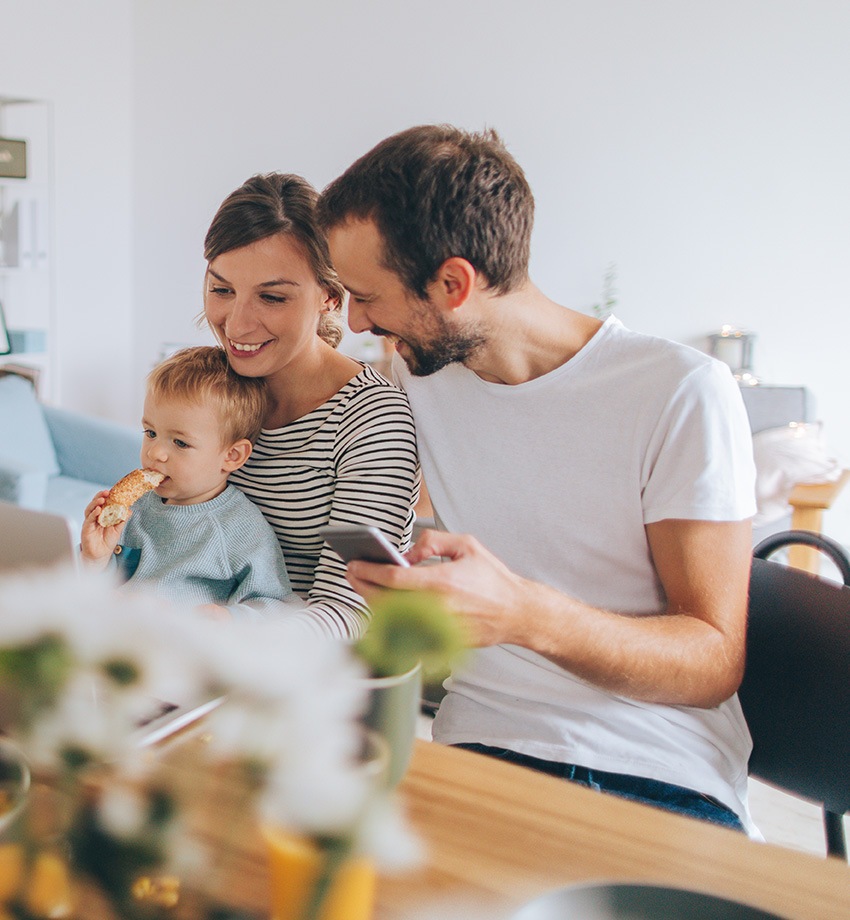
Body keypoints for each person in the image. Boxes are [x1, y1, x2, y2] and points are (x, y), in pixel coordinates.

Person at [317, 125, 759, 833]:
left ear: (453, 284)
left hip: (651, 771)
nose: (357, 320)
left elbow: (713, 660)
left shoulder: (678, 391)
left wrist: (523, 614)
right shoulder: (415, 375)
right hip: (477, 755)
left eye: (367, 296)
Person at [202, 172, 419, 639]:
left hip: (301, 678)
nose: (236, 324)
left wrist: (226, 633)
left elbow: (348, 613)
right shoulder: (208, 388)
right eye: (222, 290)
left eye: (272, 297)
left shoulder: (372, 420)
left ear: (329, 297)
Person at [81, 345, 294, 620]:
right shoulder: (136, 507)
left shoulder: (239, 527)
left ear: (231, 456)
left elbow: (277, 606)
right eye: (151, 432)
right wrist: (95, 559)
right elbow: (96, 590)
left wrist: (229, 619)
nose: (155, 452)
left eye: (180, 442)